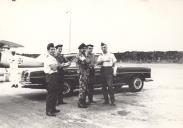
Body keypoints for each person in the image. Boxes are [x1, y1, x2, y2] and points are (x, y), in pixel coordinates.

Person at [44, 43, 63, 116]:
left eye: (53, 49)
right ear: (48, 50)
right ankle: (48, 111)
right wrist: (58, 65)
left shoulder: (53, 58)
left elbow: (57, 66)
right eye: (51, 49)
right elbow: (54, 68)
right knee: (51, 94)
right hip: (51, 76)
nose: (53, 51)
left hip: (55, 76)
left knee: (55, 93)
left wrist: (58, 65)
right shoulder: (48, 58)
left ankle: (53, 108)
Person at [75, 43, 90, 108]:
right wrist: (86, 57)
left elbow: (88, 61)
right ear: (80, 49)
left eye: (85, 48)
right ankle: (80, 103)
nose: (84, 49)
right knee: (82, 89)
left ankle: (83, 101)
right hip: (82, 73)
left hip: (85, 73)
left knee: (84, 88)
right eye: (83, 48)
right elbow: (86, 61)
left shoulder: (83, 55)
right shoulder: (79, 55)